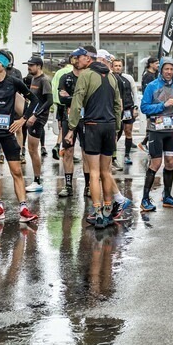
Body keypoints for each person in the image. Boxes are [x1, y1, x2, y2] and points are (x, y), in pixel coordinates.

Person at [0, 50, 41, 224]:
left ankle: (24, 208)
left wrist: (22, 120)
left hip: (7, 133)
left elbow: (34, 100)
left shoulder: (14, 82)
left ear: (4, 64)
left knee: (16, 171)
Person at [66, 49, 123, 228]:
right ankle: (108, 211)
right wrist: (117, 128)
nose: (77, 61)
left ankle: (97, 212)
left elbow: (76, 103)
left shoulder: (86, 75)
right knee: (106, 171)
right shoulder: (112, 76)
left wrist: (71, 128)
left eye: (80, 58)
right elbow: (117, 105)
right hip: (109, 126)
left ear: (88, 59)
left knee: (94, 172)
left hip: (92, 126)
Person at [138, 57, 173, 212]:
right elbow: (144, 107)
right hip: (156, 130)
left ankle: (167, 196)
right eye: (166, 69)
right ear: (161, 70)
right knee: (156, 163)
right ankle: (145, 198)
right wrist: (163, 105)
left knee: (171, 162)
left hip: (171, 130)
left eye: (172, 69)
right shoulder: (152, 86)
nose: (169, 72)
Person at [57, 48, 90, 198]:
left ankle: (89, 185)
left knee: (86, 152)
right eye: (83, 57)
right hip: (68, 118)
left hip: (86, 118)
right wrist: (78, 99)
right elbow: (62, 98)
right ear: (75, 59)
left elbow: (90, 99)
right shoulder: (65, 77)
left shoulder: (90, 77)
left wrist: (72, 98)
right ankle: (68, 185)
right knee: (68, 151)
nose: (86, 60)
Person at [22, 55, 52, 193]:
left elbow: (49, 101)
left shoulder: (45, 80)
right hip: (31, 116)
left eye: (31, 65)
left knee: (33, 150)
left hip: (38, 118)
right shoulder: (33, 78)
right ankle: (36, 180)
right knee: (31, 150)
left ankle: (37, 181)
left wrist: (35, 115)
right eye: (28, 64)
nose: (29, 67)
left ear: (39, 66)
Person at [111, 58, 137, 167]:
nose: (117, 67)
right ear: (112, 67)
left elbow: (134, 92)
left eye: (119, 65)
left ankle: (126, 155)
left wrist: (135, 107)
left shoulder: (128, 78)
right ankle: (113, 157)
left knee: (128, 131)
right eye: (115, 65)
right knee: (115, 133)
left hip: (128, 108)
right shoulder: (110, 78)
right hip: (115, 110)